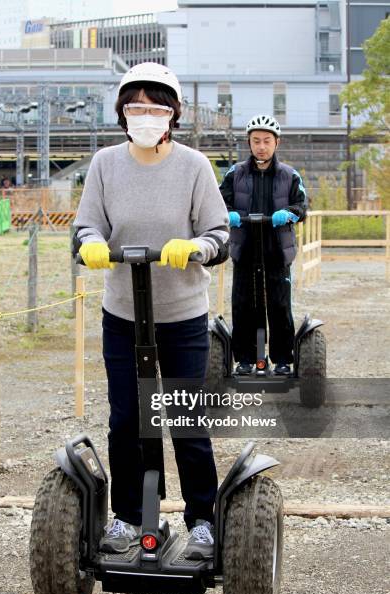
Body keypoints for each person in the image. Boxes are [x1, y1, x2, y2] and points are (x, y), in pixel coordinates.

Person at [72, 62, 229, 560]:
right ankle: (132, 517)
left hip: (181, 314)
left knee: (184, 419)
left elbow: (221, 234)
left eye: (155, 107)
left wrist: (199, 248)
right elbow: (85, 227)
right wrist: (93, 243)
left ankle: (202, 519)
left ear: (172, 114)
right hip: (121, 313)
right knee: (127, 420)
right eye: (135, 107)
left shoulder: (194, 166)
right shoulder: (104, 164)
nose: (145, 115)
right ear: (122, 113)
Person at [219, 114, 307, 376]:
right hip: (245, 249)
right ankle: (246, 359)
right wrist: (229, 214)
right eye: (256, 141)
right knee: (244, 304)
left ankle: (282, 359)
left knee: (279, 305)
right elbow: (220, 202)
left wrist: (290, 213)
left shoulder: (289, 175)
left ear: (276, 143)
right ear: (249, 142)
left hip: (276, 250)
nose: (261, 146)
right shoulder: (236, 173)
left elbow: (302, 206)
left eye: (266, 141)